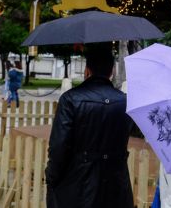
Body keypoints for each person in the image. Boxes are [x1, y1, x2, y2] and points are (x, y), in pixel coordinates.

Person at [45, 42, 133, 208]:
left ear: (87, 70)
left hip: (78, 185)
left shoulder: (70, 100)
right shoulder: (125, 101)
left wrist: (51, 177)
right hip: (116, 186)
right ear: (112, 71)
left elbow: (59, 146)